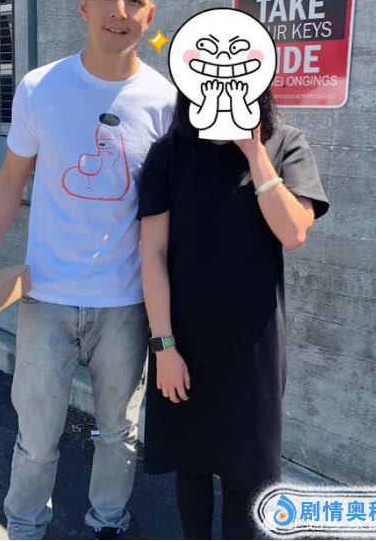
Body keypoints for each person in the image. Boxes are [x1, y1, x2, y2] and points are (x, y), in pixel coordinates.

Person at [0, 0, 176, 540]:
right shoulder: (40, 88)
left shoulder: (165, 103)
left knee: (119, 431)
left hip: (125, 302)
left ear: (149, 16)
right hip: (46, 297)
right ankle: (25, 525)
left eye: (133, 0)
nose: (118, 10)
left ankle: (108, 521)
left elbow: (169, 213)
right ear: (84, 5)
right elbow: (11, 182)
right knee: (36, 435)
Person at [137, 88, 329, 539]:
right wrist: (164, 346)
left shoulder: (286, 143)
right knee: (191, 465)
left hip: (253, 345)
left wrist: (255, 154)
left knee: (248, 471)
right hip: (183, 340)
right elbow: (153, 254)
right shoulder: (169, 152)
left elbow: (293, 233)